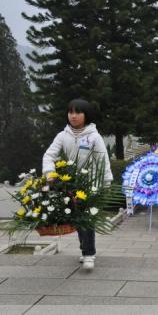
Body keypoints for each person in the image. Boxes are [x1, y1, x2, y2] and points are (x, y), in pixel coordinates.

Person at [42, 99, 113, 270]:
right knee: (78, 219)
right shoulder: (62, 135)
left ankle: (89, 254)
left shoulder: (94, 137)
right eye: (70, 112)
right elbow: (49, 155)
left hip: (91, 185)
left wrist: (106, 184)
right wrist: (50, 174)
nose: (73, 116)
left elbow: (103, 161)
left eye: (78, 112)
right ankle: (85, 250)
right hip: (70, 185)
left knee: (86, 220)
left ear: (86, 115)